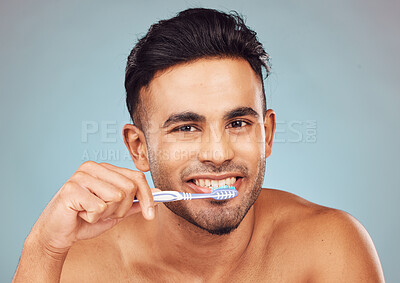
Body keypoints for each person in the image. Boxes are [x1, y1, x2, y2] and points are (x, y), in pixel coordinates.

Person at [13, 8, 385, 282]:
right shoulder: (77, 267)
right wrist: (43, 247)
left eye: (238, 123)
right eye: (187, 128)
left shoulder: (332, 248)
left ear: (267, 134)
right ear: (138, 148)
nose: (219, 154)